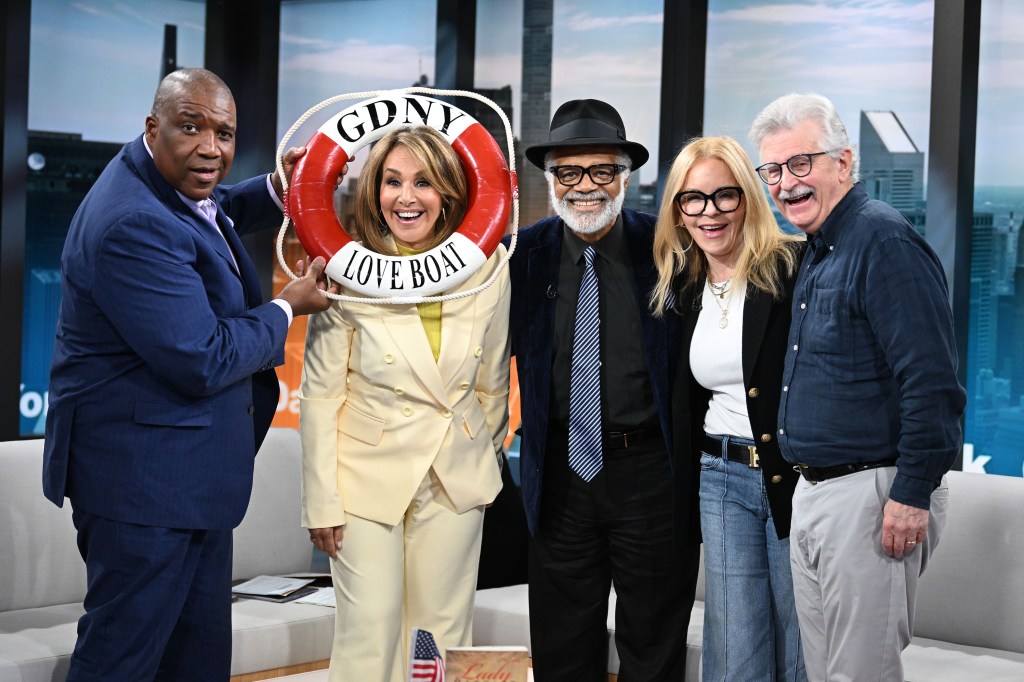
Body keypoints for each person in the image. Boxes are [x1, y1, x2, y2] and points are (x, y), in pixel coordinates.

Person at [42, 67, 336, 681]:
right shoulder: (131, 222)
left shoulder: (163, 188)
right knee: (121, 661)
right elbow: (200, 356)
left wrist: (283, 187)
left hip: (189, 482)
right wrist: (289, 307)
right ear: (154, 128)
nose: (211, 148)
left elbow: (217, 205)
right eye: (191, 127)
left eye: (224, 134)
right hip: (142, 488)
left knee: (195, 663)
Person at [748, 93, 966, 682]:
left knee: (859, 676)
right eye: (772, 170)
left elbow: (932, 383)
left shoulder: (883, 242)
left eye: (801, 164)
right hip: (818, 493)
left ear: (843, 163)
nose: (785, 183)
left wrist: (912, 494)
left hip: (872, 496)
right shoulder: (820, 249)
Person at [299, 125, 511, 682]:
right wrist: (321, 501)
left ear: (448, 191)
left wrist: (474, 459)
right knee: (370, 632)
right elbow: (320, 397)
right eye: (392, 182)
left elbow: (492, 383)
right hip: (364, 482)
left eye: (423, 182)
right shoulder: (346, 270)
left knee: (438, 639)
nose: (406, 197)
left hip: (453, 480)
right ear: (374, 191)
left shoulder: (489, 268)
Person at [505, 99, 701, 681]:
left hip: (651, 475)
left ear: (624, 177)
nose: (585, 186)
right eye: (569, 172)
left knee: (652, 644)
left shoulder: (672, 249)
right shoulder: (521, 256)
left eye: (601, 171)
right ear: (551, 180)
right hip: (561, 475)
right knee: (563, 647)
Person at [651, 135, 807, 681]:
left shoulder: (791, 267)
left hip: (796, 479)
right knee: (733, 650)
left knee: (799, 646)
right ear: (678, 210)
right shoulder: (681, 287)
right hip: (719, 479)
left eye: (725, 196)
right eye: (693, 199)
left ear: (748, 199)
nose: (709, 212)